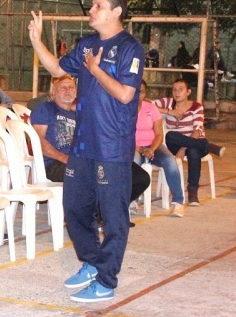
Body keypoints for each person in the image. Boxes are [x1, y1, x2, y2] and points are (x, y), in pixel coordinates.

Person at [28, 0, 144, 303]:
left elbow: (125, 94)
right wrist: (37, 41)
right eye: (92, 5)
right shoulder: (87, 45)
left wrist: (95, 70)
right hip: (82, 146)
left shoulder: (130, 48)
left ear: (116, 11)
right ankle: (93, 262)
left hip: (112, 146)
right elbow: (56, 70)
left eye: (98, 5)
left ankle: (106, 281)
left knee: (113, 216)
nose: (91, 10)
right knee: (75, 208)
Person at [30, 75, 150, 222]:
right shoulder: (45, 109)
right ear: (53, 93)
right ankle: (97, 217)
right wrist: (65, 158)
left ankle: (104, 214)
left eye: (71, 87)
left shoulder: (82, 113)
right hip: (56, 164)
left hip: (87, 159)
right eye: (63, 88)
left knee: (140, 177)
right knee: (95, 176)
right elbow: (38, 142)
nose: (68, 90)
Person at [153, 78, 225, 206]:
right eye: (174, 90)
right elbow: (146, 103)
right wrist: (169, 111)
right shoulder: (168, 103)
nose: (177, 93)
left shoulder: (196, 106)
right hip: (175, 143)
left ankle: (192, 193)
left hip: (195, 141)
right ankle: (208, 146)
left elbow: (197, 130)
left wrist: (183, 148)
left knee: (193, 151)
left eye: (181, 89)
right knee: (170, 135)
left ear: (188, 92)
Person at [134, 80, 185, 217]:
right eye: (136, 91)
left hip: (153, 145)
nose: (139, 94)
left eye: (142, 92)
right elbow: (123, 136)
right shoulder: (123, 108)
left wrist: (151, 149)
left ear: (146, 94)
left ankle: (178, 202)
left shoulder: (151, 108)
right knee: (133, 161)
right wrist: (140, 149)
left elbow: (159, 134)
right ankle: (132, 200)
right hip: (133, 147)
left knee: (170, 161)